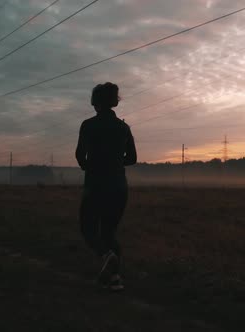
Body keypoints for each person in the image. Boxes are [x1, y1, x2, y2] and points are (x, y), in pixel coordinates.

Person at [76, 82, 137, 292]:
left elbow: (79, 155)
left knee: (88, 229)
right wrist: (115, 163)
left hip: (96, 185)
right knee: (109, 233)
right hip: (119, 187)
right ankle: (115, 279)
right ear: (113, 102)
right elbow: (132, 158)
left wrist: (90, 167)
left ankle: (106, 256)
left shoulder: (88, 125)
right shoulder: (123, 127)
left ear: (95, 102)